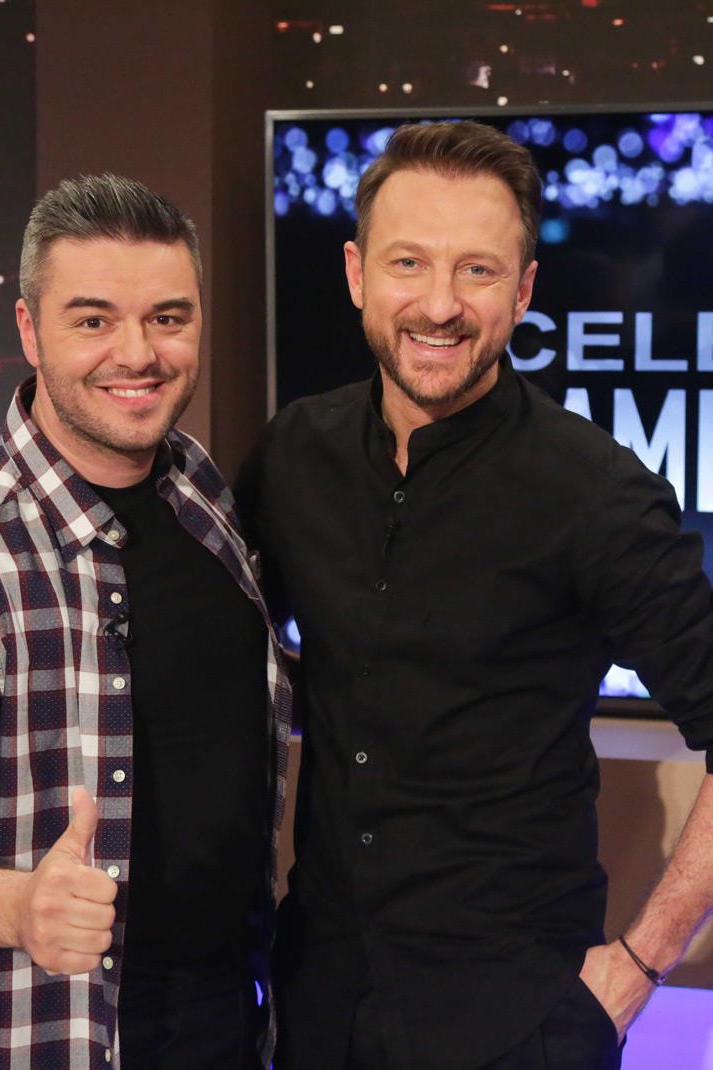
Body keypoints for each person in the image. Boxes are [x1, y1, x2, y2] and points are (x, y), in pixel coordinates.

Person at [235, 121, 713, 1070]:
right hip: (316, 998)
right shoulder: (293, 454)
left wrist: (635, 969)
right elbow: (216, 663)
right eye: (408, 262)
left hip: (518, 1019)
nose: (440, 305)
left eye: (478, 271)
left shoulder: (598, 495)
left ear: (524, 290)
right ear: (356, 273)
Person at [0, 173, 292, 1070]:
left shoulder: (198, 486)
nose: (138, 354)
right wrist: (20, 907)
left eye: (167, 317)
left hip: (223, 1023)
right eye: (93, 320)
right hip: (37, 1035)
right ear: (28, 329)